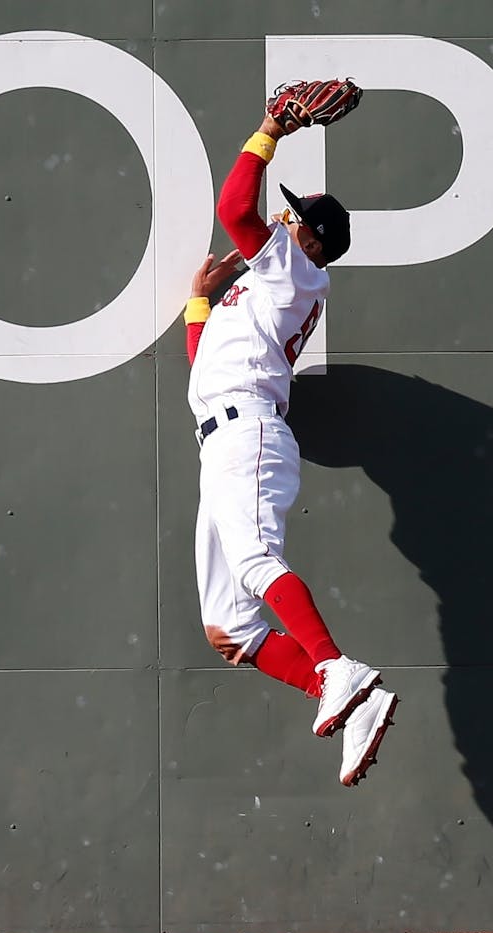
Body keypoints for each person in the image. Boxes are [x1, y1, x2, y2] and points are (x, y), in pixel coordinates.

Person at [182, 97, 396, 788]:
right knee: (229, 626)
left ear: (308, 237)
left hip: (249, 434)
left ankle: (339, 667)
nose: (282, 217)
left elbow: (234, 212)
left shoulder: (291, 268)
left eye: (294, 215)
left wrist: (270, 129)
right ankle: (347, 697)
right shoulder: (272, 281)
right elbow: (205, 368)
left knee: (253, 560)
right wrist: (200, 304)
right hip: (222, 438)